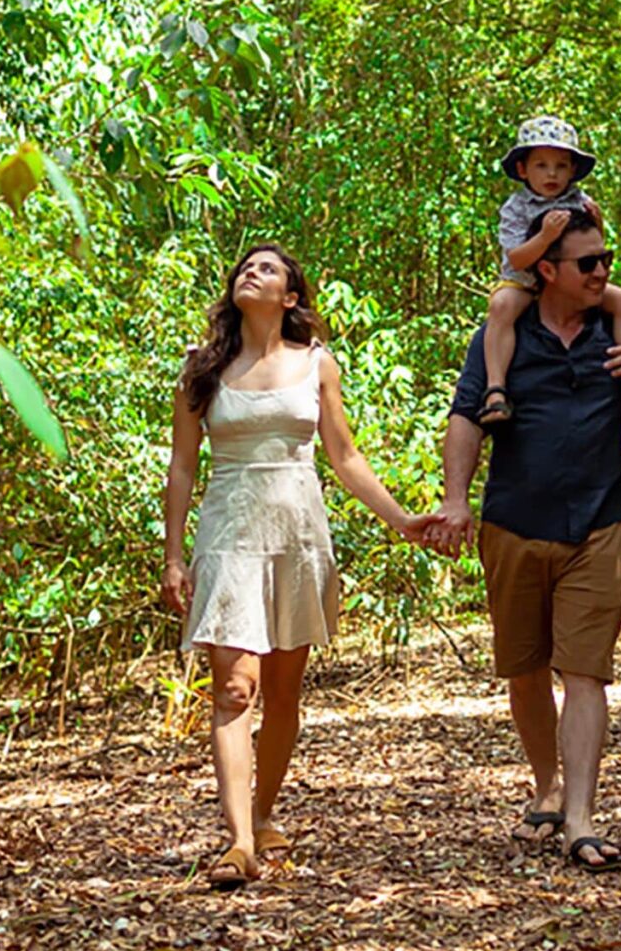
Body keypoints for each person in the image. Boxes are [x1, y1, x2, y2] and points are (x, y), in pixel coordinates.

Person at [160, 244, 441, 888]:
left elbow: (344, 458)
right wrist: (174, 555)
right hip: (229, 533)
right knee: (235, 689)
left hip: (297, 533)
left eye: (267, 269)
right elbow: (182, 466)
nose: (249, 273)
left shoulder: (317, 364)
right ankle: (237, 844)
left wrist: (401, 521)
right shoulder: (201, 369)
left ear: (290, 298)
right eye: (244, 267)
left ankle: (260, 815)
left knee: (284, 694)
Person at [430, 206, 621, 872]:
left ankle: (582, 816)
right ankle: (548, 781)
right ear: (548, 269)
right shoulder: (503, 333)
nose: (603, 273)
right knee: (524, 664)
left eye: (607, 260)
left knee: (587, 669)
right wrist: (455, 500)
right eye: (588, 263)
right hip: (513, 522)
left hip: (599, 523)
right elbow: (466, 419)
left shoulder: (615, 330)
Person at [477, 115, 621, 433]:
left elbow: (590, 248)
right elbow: (516, 257)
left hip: (570, 286)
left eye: (561, 166)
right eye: (541, 165)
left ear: (572, 171)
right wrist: (545, 237)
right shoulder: (515, 208)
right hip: (525, 282)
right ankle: (495, 390)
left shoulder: (581, 202)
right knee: (500, 307)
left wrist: (598, 223)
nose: (551, 174)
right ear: (523, 170)